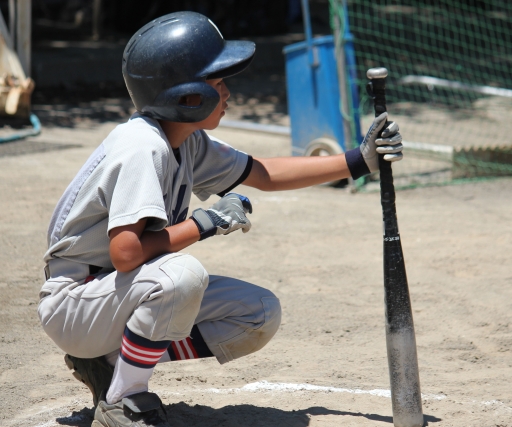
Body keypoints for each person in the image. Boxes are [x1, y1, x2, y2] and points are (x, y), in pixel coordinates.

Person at [37, 11, 403, 427]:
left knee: (259, 313)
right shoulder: (143, 147)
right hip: (76, 302)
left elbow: (263, 173)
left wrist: (360, 161)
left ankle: (111, 362)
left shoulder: (185, 140)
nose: (227, 92)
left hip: (114, 297)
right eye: (216, 83)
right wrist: (205, 222)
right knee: (181, 276)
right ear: (186, 95)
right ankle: (122, 400)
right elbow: (126, 252)